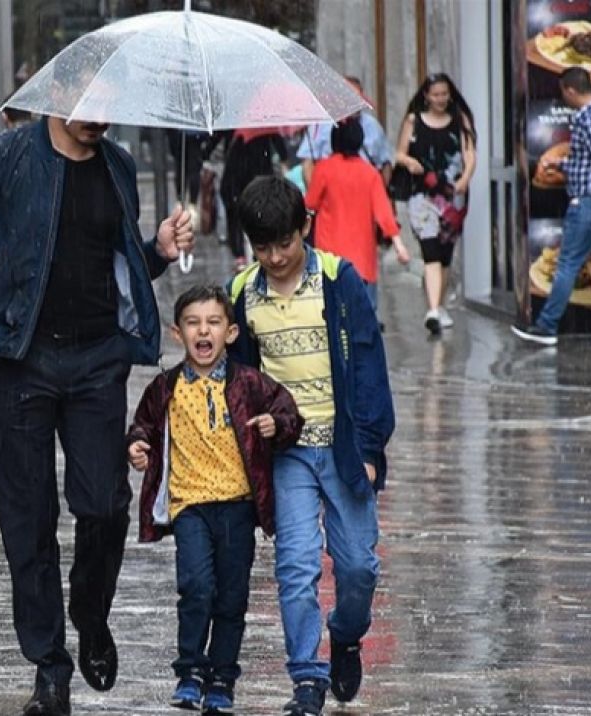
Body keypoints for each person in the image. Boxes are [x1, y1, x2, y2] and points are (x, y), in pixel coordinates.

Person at [0, 81, 196, 714]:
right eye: (88, 108)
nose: (99, 120)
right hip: (16, 359)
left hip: (96, 359)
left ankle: (91, 612)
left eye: (110, 108)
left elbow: (117, 265)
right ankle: (49, 662)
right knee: (28, 518)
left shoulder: (119, 166)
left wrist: (157, 250)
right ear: (56, 99)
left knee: (104, 503)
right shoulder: (4, 157)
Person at [226, 176, 395, 716]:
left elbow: (369, 364)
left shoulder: (338, 280)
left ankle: (345, 634)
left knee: (358, 568)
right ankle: (305, 677)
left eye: (284, 243)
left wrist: (369, 448)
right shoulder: (243, 294)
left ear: (305, 228)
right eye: (262, 247)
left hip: (344, 450)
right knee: (296, 566)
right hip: (289, 455)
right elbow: (242, 380)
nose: (275, 257)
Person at [127, 285, 303, 715]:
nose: (203, 331)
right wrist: (136, 445)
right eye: (192, 323)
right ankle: (189, 671)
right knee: (196, 587)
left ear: (230, 332)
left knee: (232, 595)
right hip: (190, 506)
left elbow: (289, 413)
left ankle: (222, 678)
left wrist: (273, 426)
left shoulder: (248, 383)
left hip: (239, 506)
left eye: (213, 323)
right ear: (177, 333)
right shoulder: (165, 388)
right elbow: (144, 425)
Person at [513, 67, 591, 347]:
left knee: (568, 263)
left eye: (562, 92)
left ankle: (547, 326)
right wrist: (561, 163)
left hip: (590, 203)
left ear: (569, 90)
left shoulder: (589, 120)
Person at [395, 72, 476, 334]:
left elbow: (470, 153)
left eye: (444, 94)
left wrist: (465, 177)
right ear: (426, 96)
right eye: (436, 94)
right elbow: (399, 152)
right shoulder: (413, 120)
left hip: (454, 196)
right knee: (430, 250)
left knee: (445, 255)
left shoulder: (460, 120)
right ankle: (432, 310)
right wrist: (410, 162)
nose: (441, 99)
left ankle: (439, 305)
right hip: (422, 196)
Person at [305, 119, 410, 316]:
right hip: (363, 259)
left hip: (330, 258)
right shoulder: (370, 173)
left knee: (334, 314)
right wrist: (399, 245)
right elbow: (384, 213)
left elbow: (310, 203)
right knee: (364, 314)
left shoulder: (324, 169)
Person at [296, 76, 394, 188]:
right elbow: (308, 162)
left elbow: (386, 161)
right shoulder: (320, 125)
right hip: (331, 188)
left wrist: (382, 191)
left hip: (365, 188)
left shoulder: (372, 126)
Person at [221, 131, 287, 271]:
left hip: (243, 184)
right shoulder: (266, 130)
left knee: (240, 219)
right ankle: (258, 253)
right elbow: (281, 149)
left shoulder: (238, 138)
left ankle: (242, 256)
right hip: (261, 180)